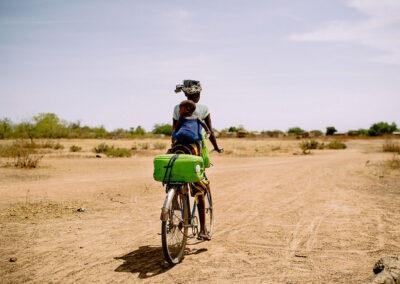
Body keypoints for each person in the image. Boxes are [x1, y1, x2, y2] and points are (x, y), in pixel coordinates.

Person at [168, 79, 222, 241]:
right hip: (195, 151)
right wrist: (217, 148)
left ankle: (174, 196)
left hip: (178, 149)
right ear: (198, 95)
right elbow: (209, 132)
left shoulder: (178, 108)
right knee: (199, 186)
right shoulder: (204, 109)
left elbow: (174, 130)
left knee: (173, 173)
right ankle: (203, 229)